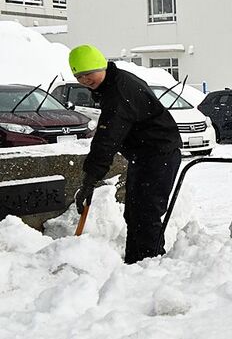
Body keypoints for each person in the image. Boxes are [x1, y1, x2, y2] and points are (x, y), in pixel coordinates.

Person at [69, 44, 182, 264]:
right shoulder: (114, 82)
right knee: (135, 213)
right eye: (79, 76)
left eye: (89, 73)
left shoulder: (118, 92)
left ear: (101, 67)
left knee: (146, 213)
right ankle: (135, 262)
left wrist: (90, 179)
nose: (85, 80)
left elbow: (107, 138)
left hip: (159, 154)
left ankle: (151, 264)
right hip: (146, 154)